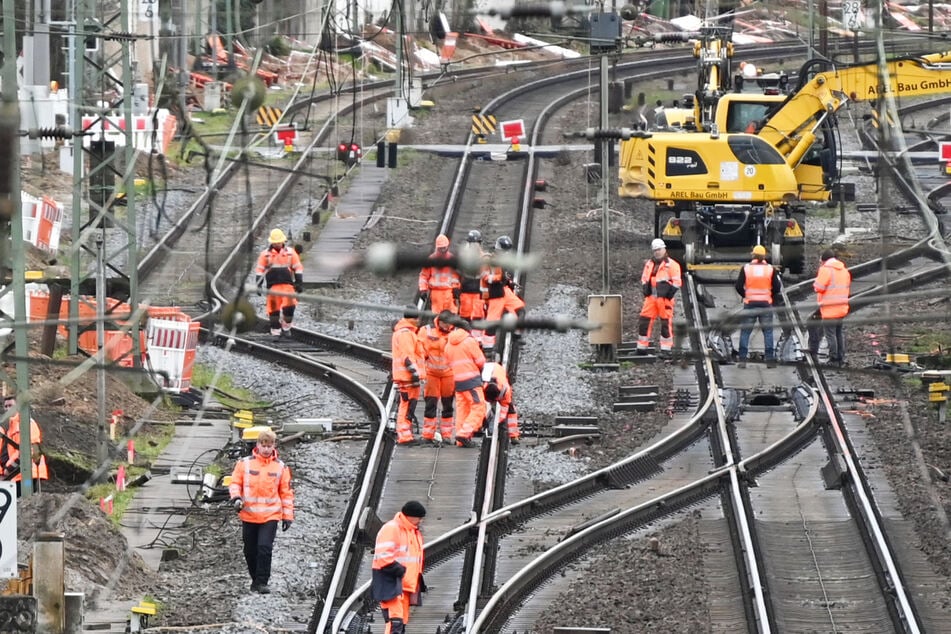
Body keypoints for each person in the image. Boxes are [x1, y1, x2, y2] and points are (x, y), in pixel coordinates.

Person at [228, 428, 294, 594]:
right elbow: (235, 483)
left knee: (264, 547)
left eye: (269, 445)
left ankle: (262, 581)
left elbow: (286, 493)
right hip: (249, 515)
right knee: (250, 550)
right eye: (263, 445)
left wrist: (287, 516)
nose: (266, 449)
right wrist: (236, 498)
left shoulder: (280, 467)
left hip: (270, 516)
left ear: (273, 446)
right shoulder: (245, 464)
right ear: (257, 445)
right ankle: (255, 579)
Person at [371, 500, 427, 634]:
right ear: (410, 516)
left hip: (406, 586)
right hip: (392, 583)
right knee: (395, 622)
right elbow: (383, 556)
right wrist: (401, 571)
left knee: (400, 624)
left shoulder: (413, 532)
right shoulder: (392, 528)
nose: (421, 521)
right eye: (419, 518)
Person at [734, 245, 783, 368]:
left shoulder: (746, 269)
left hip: (750, 304)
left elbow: (739, 286)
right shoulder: (770, 269)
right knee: (768, 332)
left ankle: (743, 360)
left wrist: (746, 295)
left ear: (753, 255)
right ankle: (770, 360)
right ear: (764, 256)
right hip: (765, 304)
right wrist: (769, 295)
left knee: (745, 332)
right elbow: (777, 287)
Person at [636, 239, 683, 356]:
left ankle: (666, 350)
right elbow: (644, 278)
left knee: (666, 323)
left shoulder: (672, 265)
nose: (657, 252)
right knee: (644, 322)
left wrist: (668, 295)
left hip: (664, 299)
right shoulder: (649, 264)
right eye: (655, 250)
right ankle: (641, 348)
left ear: (664, 249)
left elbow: (677, 282)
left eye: (659, 250)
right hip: (651, 298)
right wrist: (645, 289)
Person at [255, 228, 304, 338]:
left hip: (287, 286)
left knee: (289, 308)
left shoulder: (291, 253)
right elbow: (260, 270)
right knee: (273, 311)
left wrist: (299, 282)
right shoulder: (265, 255)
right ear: (271, 242)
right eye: (275, 242)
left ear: (283, 241)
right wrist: (258, 284)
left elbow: (298, 267)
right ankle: (275, 331)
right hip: (273, 287)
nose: (277, 244)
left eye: (279, 241)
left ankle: (286, 327)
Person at [444, 320, 486, 447]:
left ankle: (460, 439)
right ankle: (464, 433)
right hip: (471, 380)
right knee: (479, 407)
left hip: (458, 381)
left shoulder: (448, 344)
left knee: (462, 409)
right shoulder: (469, 341)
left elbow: (448, 363)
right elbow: (481, 361)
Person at [417, 311, 456, 444]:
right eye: (444, 324)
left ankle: (446, 434)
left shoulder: (455, 332)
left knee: (448, 405)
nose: (446, 327)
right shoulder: (427, 331)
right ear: (439, 321)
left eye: (448, 324)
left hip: (449, 374)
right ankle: (427, 434)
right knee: (430, 403)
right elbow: (419, 349)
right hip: (432, 373)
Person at [482, 235, 525, 351]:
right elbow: (485, 277)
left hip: (504, 290)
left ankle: (517, 336)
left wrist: (510, 282)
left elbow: (504, 276)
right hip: (495, 293)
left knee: (520, 310)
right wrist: (499, 278)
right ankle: (487, 348)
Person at [809, 249, 851, 365]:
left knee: (830, 334)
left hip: (829, 308)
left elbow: (819, 287)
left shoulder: (825, 270)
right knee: (838, 333)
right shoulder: (844, 270)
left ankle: (833, 358)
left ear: (824, 260)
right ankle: (840, 357)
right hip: (842, 307)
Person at [391, 310, 426, 445]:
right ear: (412, 319)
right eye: (417, 318)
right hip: (408, 377)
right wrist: (415, 374)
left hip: (407, 376)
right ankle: (404, 436)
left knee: (407, 405)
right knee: (406, 406)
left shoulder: (403, 332)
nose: (418, 321)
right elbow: (408, 357)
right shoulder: (406, 334)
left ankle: (406, 434)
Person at [1, 395, 48, 494]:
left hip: (29, 473)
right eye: (6, 406)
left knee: (27, 502)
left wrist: (10, 468)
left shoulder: (27, 424)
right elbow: (8, 452)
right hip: (18, 474)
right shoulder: (11, 428)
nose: (8, 409)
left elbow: (30, 449)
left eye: (11, 406)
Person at [458, 230, 487, 345]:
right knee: (465, 317)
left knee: (477, 317)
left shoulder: (483, 258)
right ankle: (465, 340)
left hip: (477, 293)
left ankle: (476, 342)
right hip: (466, 292)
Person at [418, 234, 460, 314]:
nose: (443, 250)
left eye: (444, 248)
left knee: (451, 315)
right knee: (437, 315)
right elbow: (423, 276)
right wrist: (423, 290)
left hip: (449, 292)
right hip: (436, 293)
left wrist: (456, 288)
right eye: (441, 248)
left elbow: (455, 276)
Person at [482, 362, 521, 443]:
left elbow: (503, 412)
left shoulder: (506, 391)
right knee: (479, 407)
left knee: (511, 410)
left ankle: (514, 436)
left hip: (497, 370)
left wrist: (496, 423)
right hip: (488, 369)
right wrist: (484, 420)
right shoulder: (482, 386)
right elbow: (480, 406)